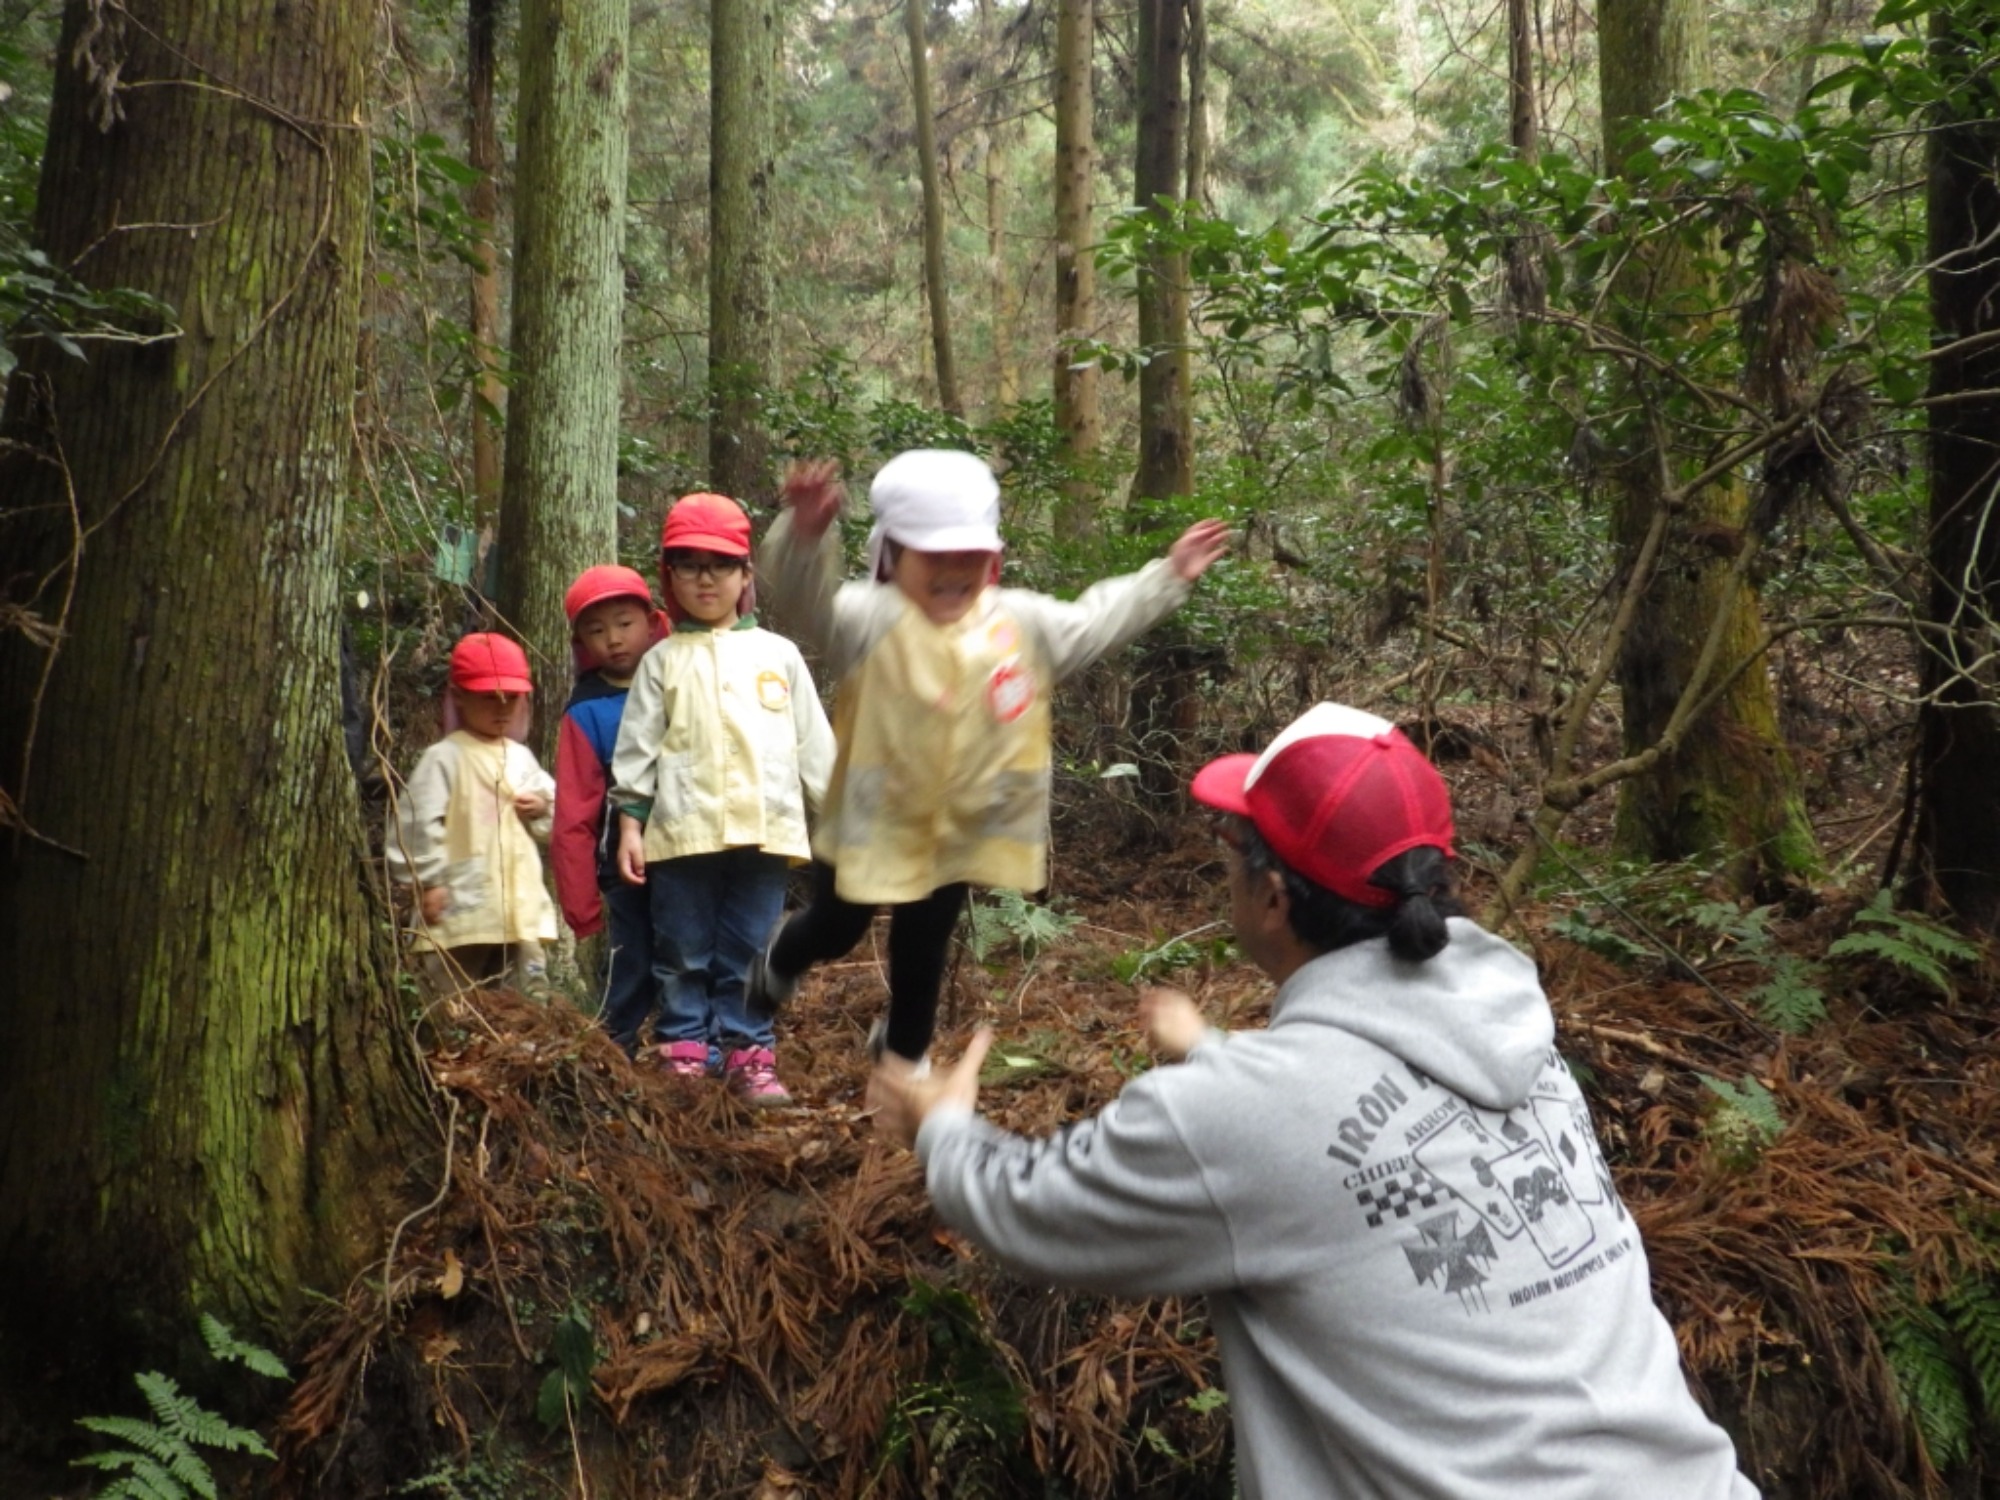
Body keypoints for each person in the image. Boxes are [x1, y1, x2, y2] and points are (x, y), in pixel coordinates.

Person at [870, 703, 1762, 1500]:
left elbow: (1035, 1208)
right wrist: (1214, 1052)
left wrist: (941, 1126)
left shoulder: (1240, 1111)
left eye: (1231, 853)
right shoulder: (1515, 1029)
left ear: (1270, 893)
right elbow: (1379, 1135)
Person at [749, 449, 1230, 1075]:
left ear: (993, 560)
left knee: (923, 946)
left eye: (968, 559)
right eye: (934, 558)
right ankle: (782, 956)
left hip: (959, 831)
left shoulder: (1019, 624)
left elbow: (1096, 620)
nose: (953, 573)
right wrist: (806, 534)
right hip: (872, 826)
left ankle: (904, 1062)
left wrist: (1169, 576)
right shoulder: (869, 621)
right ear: (893, 557)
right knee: (838, 929)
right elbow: (801, 597)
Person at [610, 492, 835, 1105]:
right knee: (681, 949)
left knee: (751, 949)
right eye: (689, 564)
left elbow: (815, 745)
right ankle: (685, 1053)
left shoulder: (779, 656)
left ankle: (748, 1054)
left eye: (720, 564)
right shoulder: (660, 662)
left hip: (766, 832)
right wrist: (630, 824)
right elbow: (637, 751)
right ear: (669, 576)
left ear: (745, 575)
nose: (705, 578)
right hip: (683, 832)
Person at [386, 632, 559, 999]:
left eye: (510, 699)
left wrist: (543, 808)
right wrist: (428, 881)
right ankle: (452, 1048)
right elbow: (415, 821)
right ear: (460, 697)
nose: (501, 708)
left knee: (528, 996)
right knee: (454, 994)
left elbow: (554, 818)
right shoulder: (444, 757)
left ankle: (527, 1052)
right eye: (488, 698)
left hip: (519, 907)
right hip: (460, 905)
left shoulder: (521, 757)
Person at [551, 564, 670, 1054]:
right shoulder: (587, 711)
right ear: (580, 642)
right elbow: (574, 816)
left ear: (652, 621)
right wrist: (580, 906)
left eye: (624, 623)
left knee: (692, 953)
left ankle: (692, 1042)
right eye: (597, 631)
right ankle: (615, 1046)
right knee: (633, 959)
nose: (614, 640)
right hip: (626, 868)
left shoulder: (683, 674)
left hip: (696, 848)